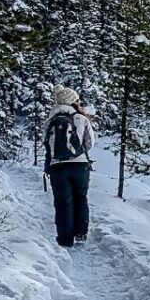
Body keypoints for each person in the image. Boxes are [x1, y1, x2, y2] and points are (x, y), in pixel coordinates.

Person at [44, 86, 95, 248]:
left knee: (62, 202)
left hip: (57, 166)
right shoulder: (81, 118)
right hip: (80, 165)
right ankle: (80, 233)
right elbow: (90, 143)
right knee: (81, 198)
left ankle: (65, 239)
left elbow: (47, 145)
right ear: (73, 101)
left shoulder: (50, 120)